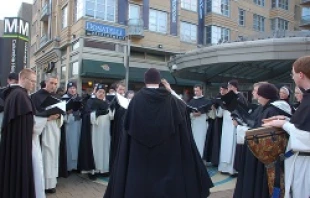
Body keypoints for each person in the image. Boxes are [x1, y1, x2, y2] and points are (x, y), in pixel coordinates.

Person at [104, 68, 213, 198]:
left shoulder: (135, 101)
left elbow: (127, 129)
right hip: (168, 157)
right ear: (158, 81)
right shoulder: (172, 101)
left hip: (140, 158)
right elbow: (183, 126)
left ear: (145, 81)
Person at [263, 56, 310, 198]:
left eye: (293, 74)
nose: (293, 77)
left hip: (306, 166)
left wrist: (284, 124)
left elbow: (306, 137)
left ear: (300, 75)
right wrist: (286, 119)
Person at [0, 68, 37, 198]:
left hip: (14, 144)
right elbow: (24, 124)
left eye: (35, 82)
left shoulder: (15, 94)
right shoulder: (20, 96)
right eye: (32, 81)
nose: (33, 84)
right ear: (22, 79)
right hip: (20, 145)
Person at [31, 75, 63, 194]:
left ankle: (51, 182)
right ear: (45, 82)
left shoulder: (56, 97)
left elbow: (61, 111)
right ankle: (42, 183)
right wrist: (47, 117)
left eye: (55, 83)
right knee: (44, 155)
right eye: (51, 83)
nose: (53, 86)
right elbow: (33, 114)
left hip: (55, 128)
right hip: (42, 129)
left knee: (53, 155)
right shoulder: (36, 96)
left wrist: (60, 115)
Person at [78, 84, 111, 180]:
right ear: (96, 92)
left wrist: (109, 112)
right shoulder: (90, 102)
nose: (101, 94)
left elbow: (111, 115)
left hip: (105, 129)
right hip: (95, 130)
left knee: (104, 148)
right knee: (95, 149)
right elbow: (87, 115)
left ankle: (103, 169)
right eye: (100, 92)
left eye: (103, 92)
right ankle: (94, 170)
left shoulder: (108, 102)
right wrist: (96, 113)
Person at [62, 82, 82, 172]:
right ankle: (69, 166)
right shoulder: (64, 98)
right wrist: (66, 112)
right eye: (70, 88)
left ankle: (77, 165)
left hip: (78, 123)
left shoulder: (80, 98)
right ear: (67, 89)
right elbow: (60, 110)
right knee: (69, 144)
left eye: (74, 88)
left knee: (77, 143)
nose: (72, 90)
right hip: (68, 124)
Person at [187, 84, 210, 157]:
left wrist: (201, 113)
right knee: (194, 139)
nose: (196, 92)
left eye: (197, 90)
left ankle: (201, 156)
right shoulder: (192, 101)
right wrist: (192, 114)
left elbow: (209, 112)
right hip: (194, 123)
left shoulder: (206, 100)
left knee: (202, 140)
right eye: (195, 91)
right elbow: (188, 111)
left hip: (202, 123)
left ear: (201, 90)